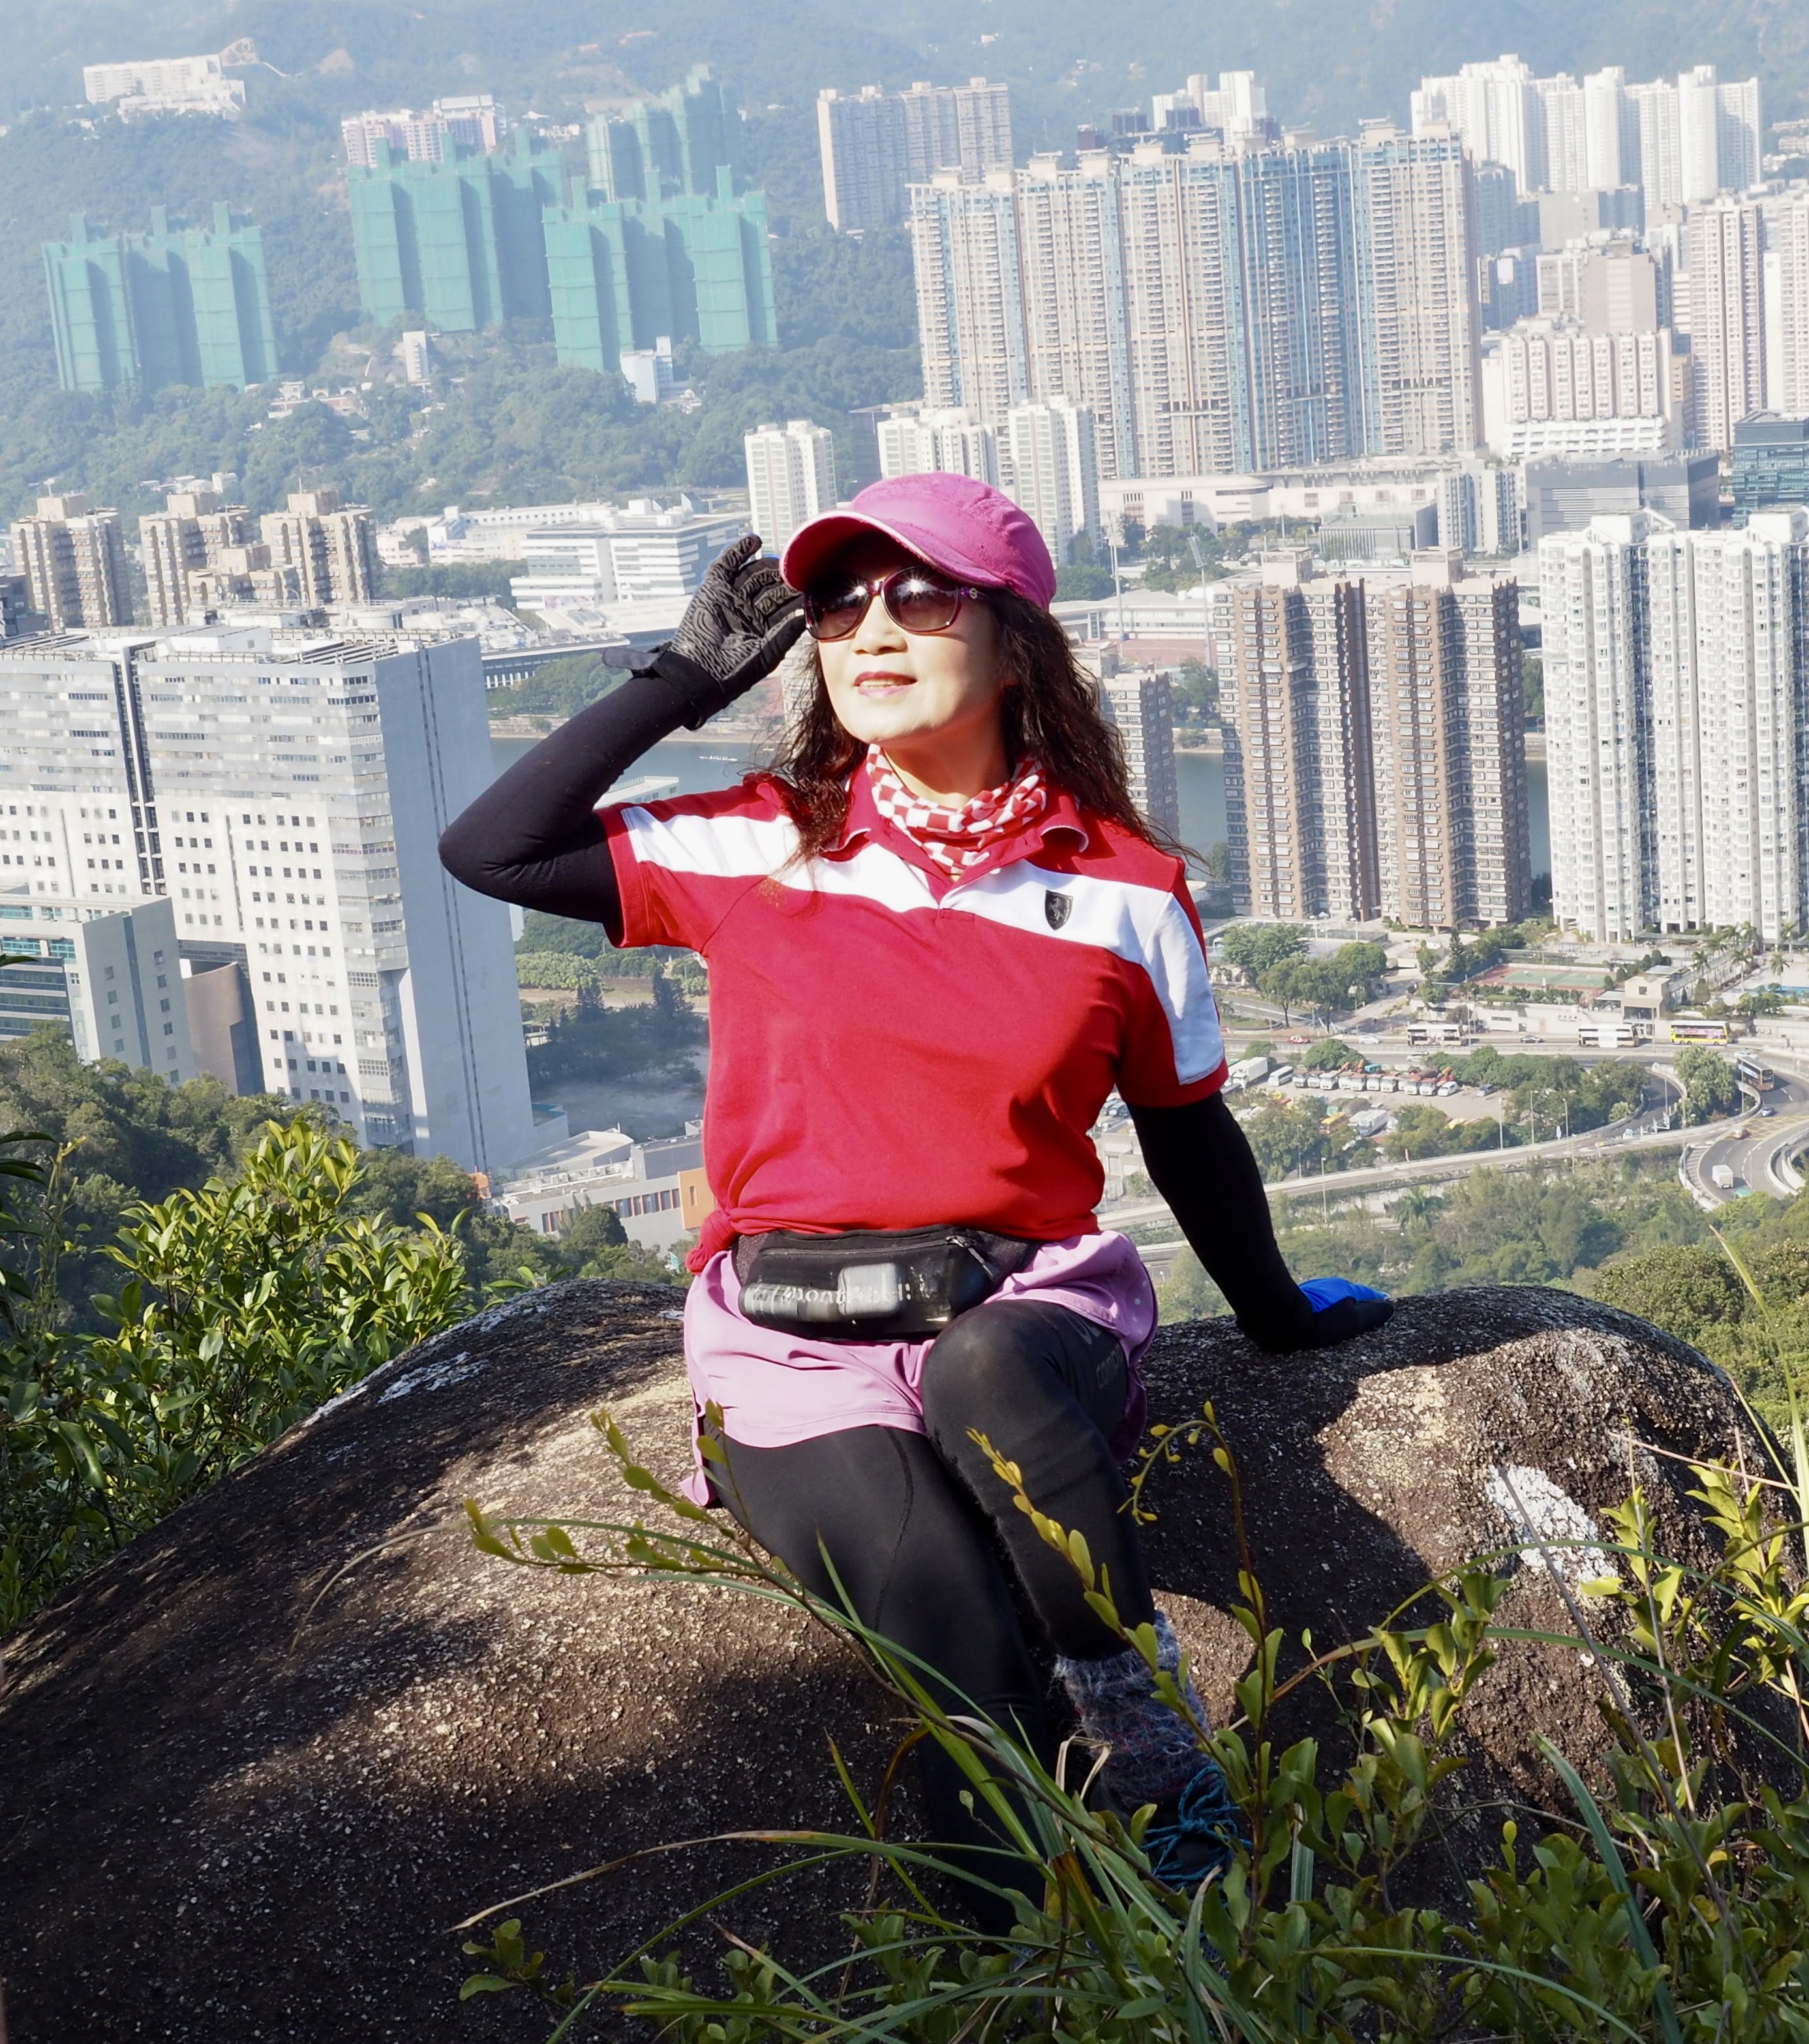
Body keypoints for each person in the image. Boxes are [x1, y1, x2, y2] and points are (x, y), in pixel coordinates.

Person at [440, 474, 1390, 1921]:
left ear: (1015, 643)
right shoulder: (760, 840)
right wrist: (681, 680)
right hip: (790, 1343)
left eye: (921, 594)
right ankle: (1034, 1985)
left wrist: (1279, 1317)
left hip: (1025, 1304)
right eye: (839, 603)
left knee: (986, 1369)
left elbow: (1188, 1131)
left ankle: (1153, 1754)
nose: (871, 627)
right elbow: (490, 849)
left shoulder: (1124, 888)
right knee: (963, 1657)